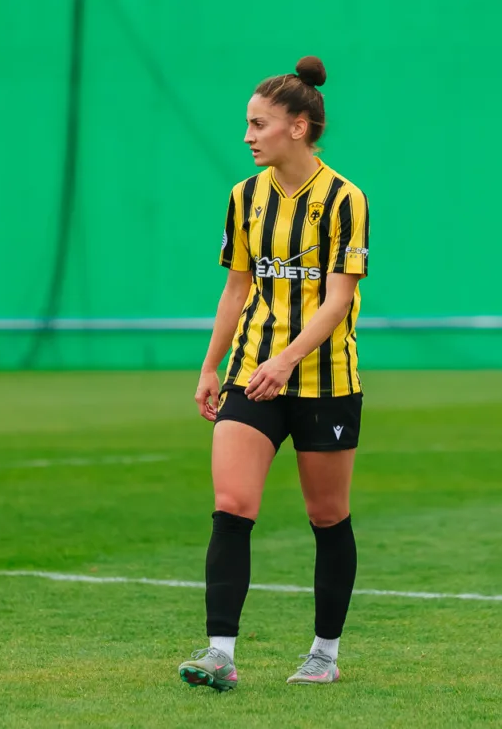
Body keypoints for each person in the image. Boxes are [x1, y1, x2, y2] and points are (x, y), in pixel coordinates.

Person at [178, 55, 370, 691]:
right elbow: (237, 288)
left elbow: (338, 300)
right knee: (231, 506)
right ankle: (220, 655)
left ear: (299, 127)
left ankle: (324, 654)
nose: (247, 136)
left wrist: (286, 360)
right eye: (247, 124)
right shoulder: (244, 197)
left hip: (324, 381)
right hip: (251, 376)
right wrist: (211, 366)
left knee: (327, 516)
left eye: (258, 124)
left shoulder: (345, 199)